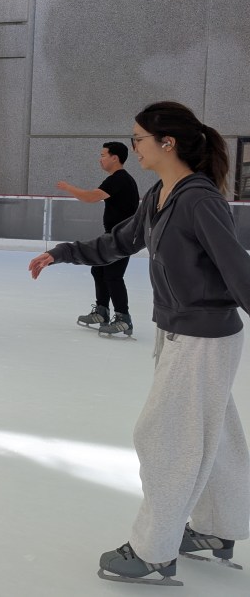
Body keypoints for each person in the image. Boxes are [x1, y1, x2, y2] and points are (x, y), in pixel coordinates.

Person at [29, 101, 250, 585]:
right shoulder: (160, 195)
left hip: (202, 338)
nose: (134, 146)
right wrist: (63, 252)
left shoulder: (199, 200)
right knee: (214, 433)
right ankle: (219, 527)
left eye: (138, 138)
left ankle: (154, 550)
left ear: (167, 143)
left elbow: (239, 269)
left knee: (164, 439)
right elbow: (119, 241)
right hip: (178, 333)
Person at [55, 141, 140, 336]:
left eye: (103, 155)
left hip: (122, 237)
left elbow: (91, 197)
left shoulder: (119, 178)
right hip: (113, 235)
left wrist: (68, 187)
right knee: (99, 270)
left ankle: (124, 318)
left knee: (113, 275)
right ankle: (102, 311)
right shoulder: (118, 179)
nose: (100, 159)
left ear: (114, 158)